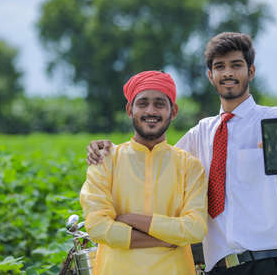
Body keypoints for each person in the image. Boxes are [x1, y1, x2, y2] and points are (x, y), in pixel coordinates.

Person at [86, 32, 277, 275]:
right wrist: (105, 149)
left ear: (250, 72)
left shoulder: (270, 119)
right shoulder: (202, 132)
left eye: (236, 65)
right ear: (211, 76)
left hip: (266, 263)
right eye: (220, 67)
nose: (228, 73)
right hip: (218, 268)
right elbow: (155, 155)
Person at [80, 70, 208, 275]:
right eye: (142, 103)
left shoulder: (189, 166)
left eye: (159, 103)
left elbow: (195, 229)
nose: (151, 110)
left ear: (173, 111)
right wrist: (163, 239)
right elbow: (97, 226)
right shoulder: (105, 161)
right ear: (129, 109)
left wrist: (132, 219)